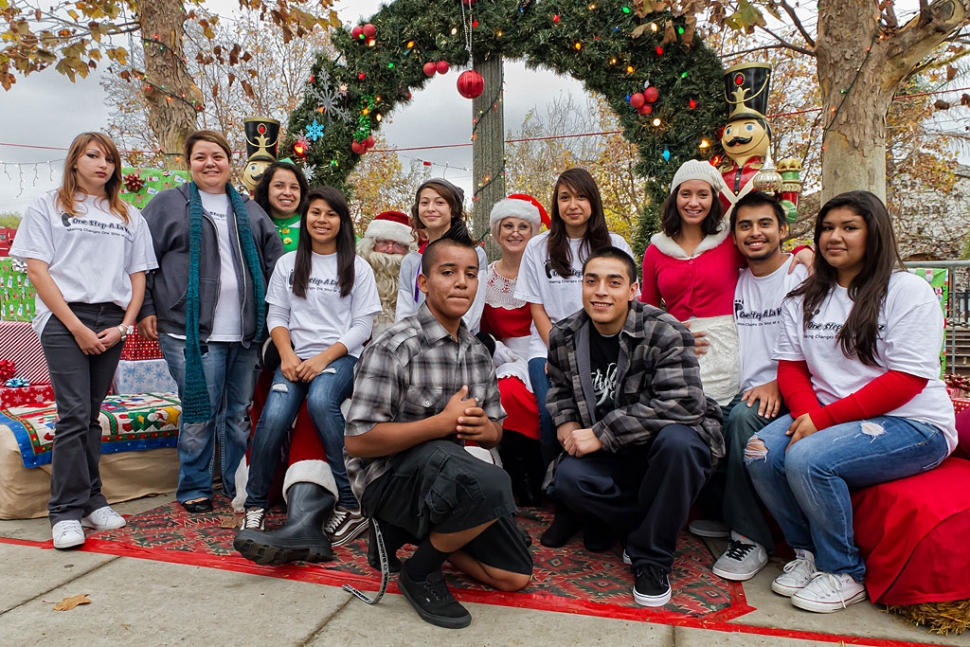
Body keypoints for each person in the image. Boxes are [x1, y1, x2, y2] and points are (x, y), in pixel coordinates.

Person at [746, 191, 957, 613]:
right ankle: (807, 554)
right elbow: (791, 367)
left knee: (807, 458)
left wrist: (823, 420)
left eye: (849, 227)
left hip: (913, 423)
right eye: (827, 228)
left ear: (873, 233)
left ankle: (844, 572)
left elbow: (907, 379)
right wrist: (809, 413)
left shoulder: (907, 291)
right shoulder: (804, 296)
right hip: (829, 416)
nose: (834, 237)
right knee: (760, 451)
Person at [345, 237, 533, 630]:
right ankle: (419, 571)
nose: (461, 283)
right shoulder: (394, 345)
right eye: (448, 273)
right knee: (493, 484)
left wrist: (488, 432)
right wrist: (441, 424)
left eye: (470, 274)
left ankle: (408, 536)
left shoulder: (478, 351)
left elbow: (496, 431)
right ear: (424, 282)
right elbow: (358, 442)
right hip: (387, 480)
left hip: (449, 479)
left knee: (514, 576)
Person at [640, 160, 811, 539]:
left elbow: (766, 254)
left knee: (726, 420)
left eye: (703, 193)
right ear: (674, 197)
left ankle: (738, 525)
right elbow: (648, 310)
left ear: (715, 198)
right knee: (671, 422)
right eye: (686, 193)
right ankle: (659, 512)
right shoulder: (655, 250)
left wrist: (804, 250)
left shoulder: (728, 244)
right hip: (681, 351)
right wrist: (672, 331)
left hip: (730, 351)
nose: (694, 201)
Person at [545, 247, 723, 607]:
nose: (600, 292)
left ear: (633, 289)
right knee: (568, 480)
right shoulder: (564, 334)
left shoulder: (665, 331)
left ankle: (652, 559)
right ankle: (643, 522)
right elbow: (560, 388)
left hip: (662, 446)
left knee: (680, 444)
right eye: (591, 281)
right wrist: (565, 421)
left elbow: (683, 403)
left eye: (614, 282)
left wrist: (601, 433)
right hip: (612, 452)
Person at [11, 132, 157, 549]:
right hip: (64, 317)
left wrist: (126, 326)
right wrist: (75, 326)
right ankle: (64, 512)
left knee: (91, 413)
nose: (103, 164)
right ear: (75, 161)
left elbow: (138, 277)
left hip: (111, 319)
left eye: (109, 158)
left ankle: (93, 499)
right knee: (73, 412)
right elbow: (38, 272)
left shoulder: (129, 215)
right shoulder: (47, 206)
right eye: (93, 155)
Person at [138, 130, 284, 513]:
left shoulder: (251, 210)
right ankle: (194, 487)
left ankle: (237, 484)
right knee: (201, 412)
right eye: (200, 156)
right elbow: (139, 259)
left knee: (237, 415)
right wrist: (146, 308)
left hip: (246, 333)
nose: (210, 163)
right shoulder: (169, 204)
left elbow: (275, 264)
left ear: (229, 162)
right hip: (187, 331)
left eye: (217, 156)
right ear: (189, 164)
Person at [234, 187, 382, 562]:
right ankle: (255, 506)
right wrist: (286, 355)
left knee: (320, 400)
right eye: (315, 212)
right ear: (305, 219)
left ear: (342, 221)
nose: (321, 220)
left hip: (341, 357)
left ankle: (351, 503)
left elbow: (363, 325)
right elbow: (278, 317)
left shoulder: (357, 267)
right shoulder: (288, 263)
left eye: (330, 214)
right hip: (294, 358)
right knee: (275, 416)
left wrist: (323, 360)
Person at [514, 167, 633, 545]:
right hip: (547, 347)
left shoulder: (613, 244)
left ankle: (594, 506)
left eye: (580, 197)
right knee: (553, 419)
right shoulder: (539, 247)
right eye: (564, 198)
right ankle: (563, 506)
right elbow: (535, 308)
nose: (572, 205)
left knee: (596, 416)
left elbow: (627, 304)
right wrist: (560, 354)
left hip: (602, 350)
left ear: (592, 201)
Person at [711, 191, 808, 581]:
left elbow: (814, 346)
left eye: (765, 223)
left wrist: (779, 383)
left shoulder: (800, 275)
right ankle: (720, 512)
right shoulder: (733, 280)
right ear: (733, 237)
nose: (755, 233)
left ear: (783, 229)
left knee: (740, 420)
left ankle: (749, 538)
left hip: (786, 389)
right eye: (745, 225)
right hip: (737, 385)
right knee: (688, 418)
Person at [480, 195, 547, 505]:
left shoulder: (545, 274)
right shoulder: (484, 279)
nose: (516, 232)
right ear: (497, 232)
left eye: (523, 226)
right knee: (504, 391)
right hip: (499, 357)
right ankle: (519, 475)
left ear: (533, 233)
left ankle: (538, 470)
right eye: (508, 225)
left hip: (539, 351)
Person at [395, 178, 488, 331]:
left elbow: (472, 312)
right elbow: (404, 311)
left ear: (453, 210)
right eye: (424, 203)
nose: (430, 208)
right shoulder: (411, 261)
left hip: (459, 342)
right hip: (416, 342)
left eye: (439, 203)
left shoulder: (475, 254)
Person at [356, 210, 416, 337]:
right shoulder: (357, 275)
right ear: (371, 245)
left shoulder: (417, 281)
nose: (389, 250)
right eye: (383, 242)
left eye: (398, 244)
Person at [252, 160, 310, 253]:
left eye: (294, 187)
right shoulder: (255, 226)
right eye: (279, 186)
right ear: (266, 189)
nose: (287, 193)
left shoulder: (311, 225)